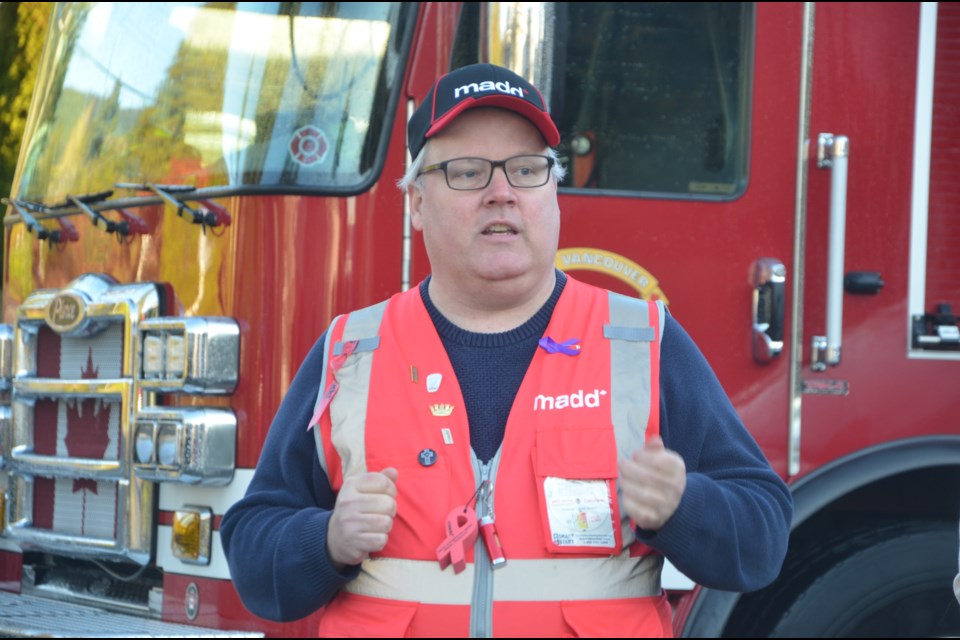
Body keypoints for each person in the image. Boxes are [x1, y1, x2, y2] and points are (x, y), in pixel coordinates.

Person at [221, 63, 793, 637]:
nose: (502, 193)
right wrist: (325, 542)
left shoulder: (643, 341)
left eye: (527, 170)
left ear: (555, 194)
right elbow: (253, 552)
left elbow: (762, 539)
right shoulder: (352, 352)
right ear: (417, 203)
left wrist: (683, 506)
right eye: (468, 173)